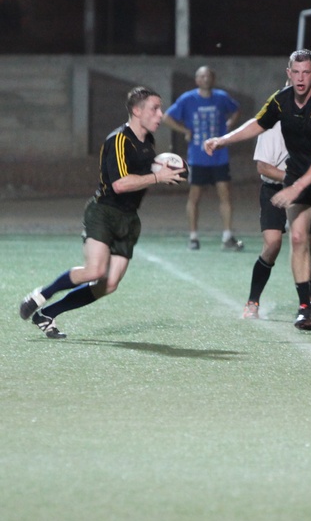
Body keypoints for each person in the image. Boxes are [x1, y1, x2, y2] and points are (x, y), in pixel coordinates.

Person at [19, 87, 186, 339]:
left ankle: (47, 314)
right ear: (136, 110)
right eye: (155, 108)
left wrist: (163, 172)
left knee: (108, 284)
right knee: (94, 271)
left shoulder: (149, 142)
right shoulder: (118, 140)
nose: (160, 114)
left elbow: (145, 178)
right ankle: (42, 294)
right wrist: (157, 176)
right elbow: (119, 184)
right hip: (104, 212)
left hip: (129, 219)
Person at [203, 49, 311, 331]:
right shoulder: (280, 100)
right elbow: (257, 122)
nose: (301, 78)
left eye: (307, 73)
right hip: (297, 176)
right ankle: (305, 306)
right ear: (288, 73)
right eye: (296, 72)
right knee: (296, 237)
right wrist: (223, 140)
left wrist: (298, 187)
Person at [162, 66, 242, 251]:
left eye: (208, 76)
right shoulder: (188, 99)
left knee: (225, 195)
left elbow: (237, 109)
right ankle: (193, 237)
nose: (205, 79)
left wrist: (230, 124)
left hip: (219, 157)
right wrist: (185, 130)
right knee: (194, 196)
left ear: (213, 79)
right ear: (196, 80)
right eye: (201, 76)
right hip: (198, 158)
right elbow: (167, 117)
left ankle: (227, 236)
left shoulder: (221, 97)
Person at [241, 122, 289, 319]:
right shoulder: (273, 124)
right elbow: (263, 167)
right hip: (275, 188)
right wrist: (294, 179)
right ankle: (253, 301)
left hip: (305, 189)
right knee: (272, 244)